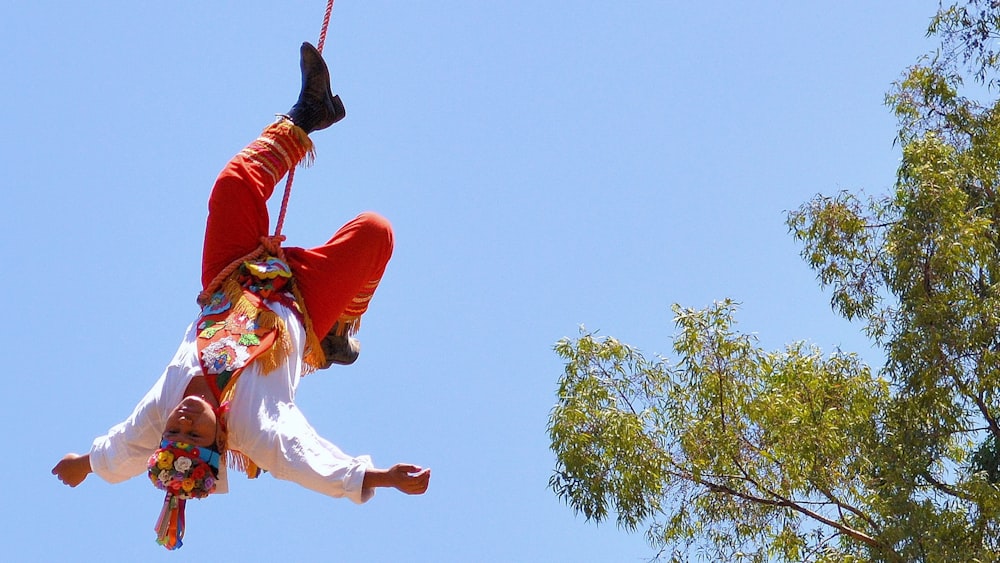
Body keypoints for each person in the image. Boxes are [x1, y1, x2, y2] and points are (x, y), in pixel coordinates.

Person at [51, 42, 430, 550]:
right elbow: (307, 461)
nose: (183, 423)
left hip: (232, 275)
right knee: (375, 234)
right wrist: (380, 477)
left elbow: (122, 449)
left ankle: (306, 115)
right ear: (218, 441)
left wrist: (85, 463)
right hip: (298, 305)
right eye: (195, 437)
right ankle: (337, 331)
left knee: (231, 186)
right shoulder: (256, 428)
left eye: (175, 434)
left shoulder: (162, 409)